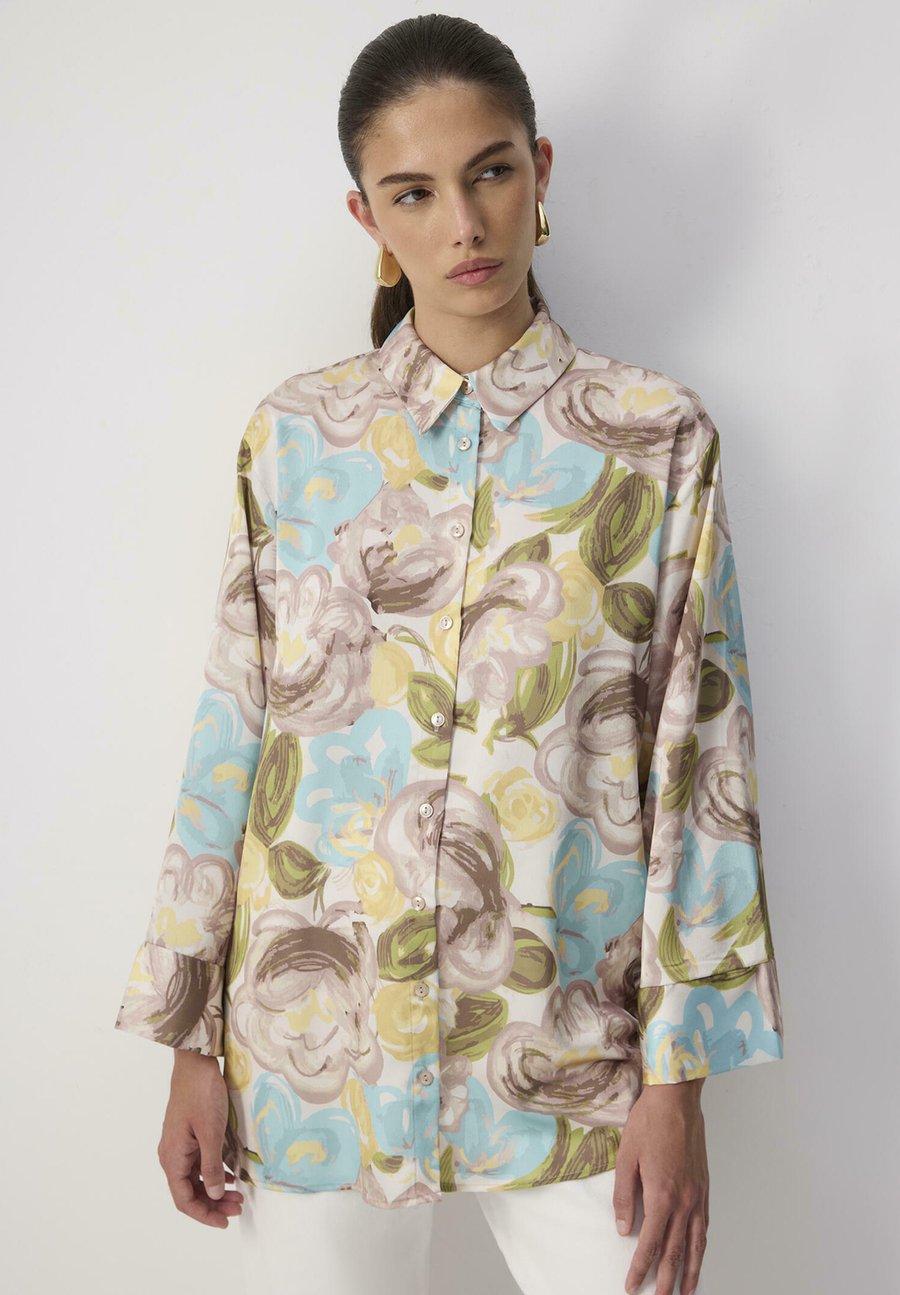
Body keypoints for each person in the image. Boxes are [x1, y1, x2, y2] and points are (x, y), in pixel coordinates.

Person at [114, 14, 784, 1295]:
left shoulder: (656, 440)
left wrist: (678, 1079)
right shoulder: (293, 440)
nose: (464, 225)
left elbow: (702, 771)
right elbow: (233, 738)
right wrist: (191, 1040)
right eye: (414, 192)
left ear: (540, 171)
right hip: (316, 1053)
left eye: (490, 173)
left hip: (574, 1051)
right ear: (367, 217)